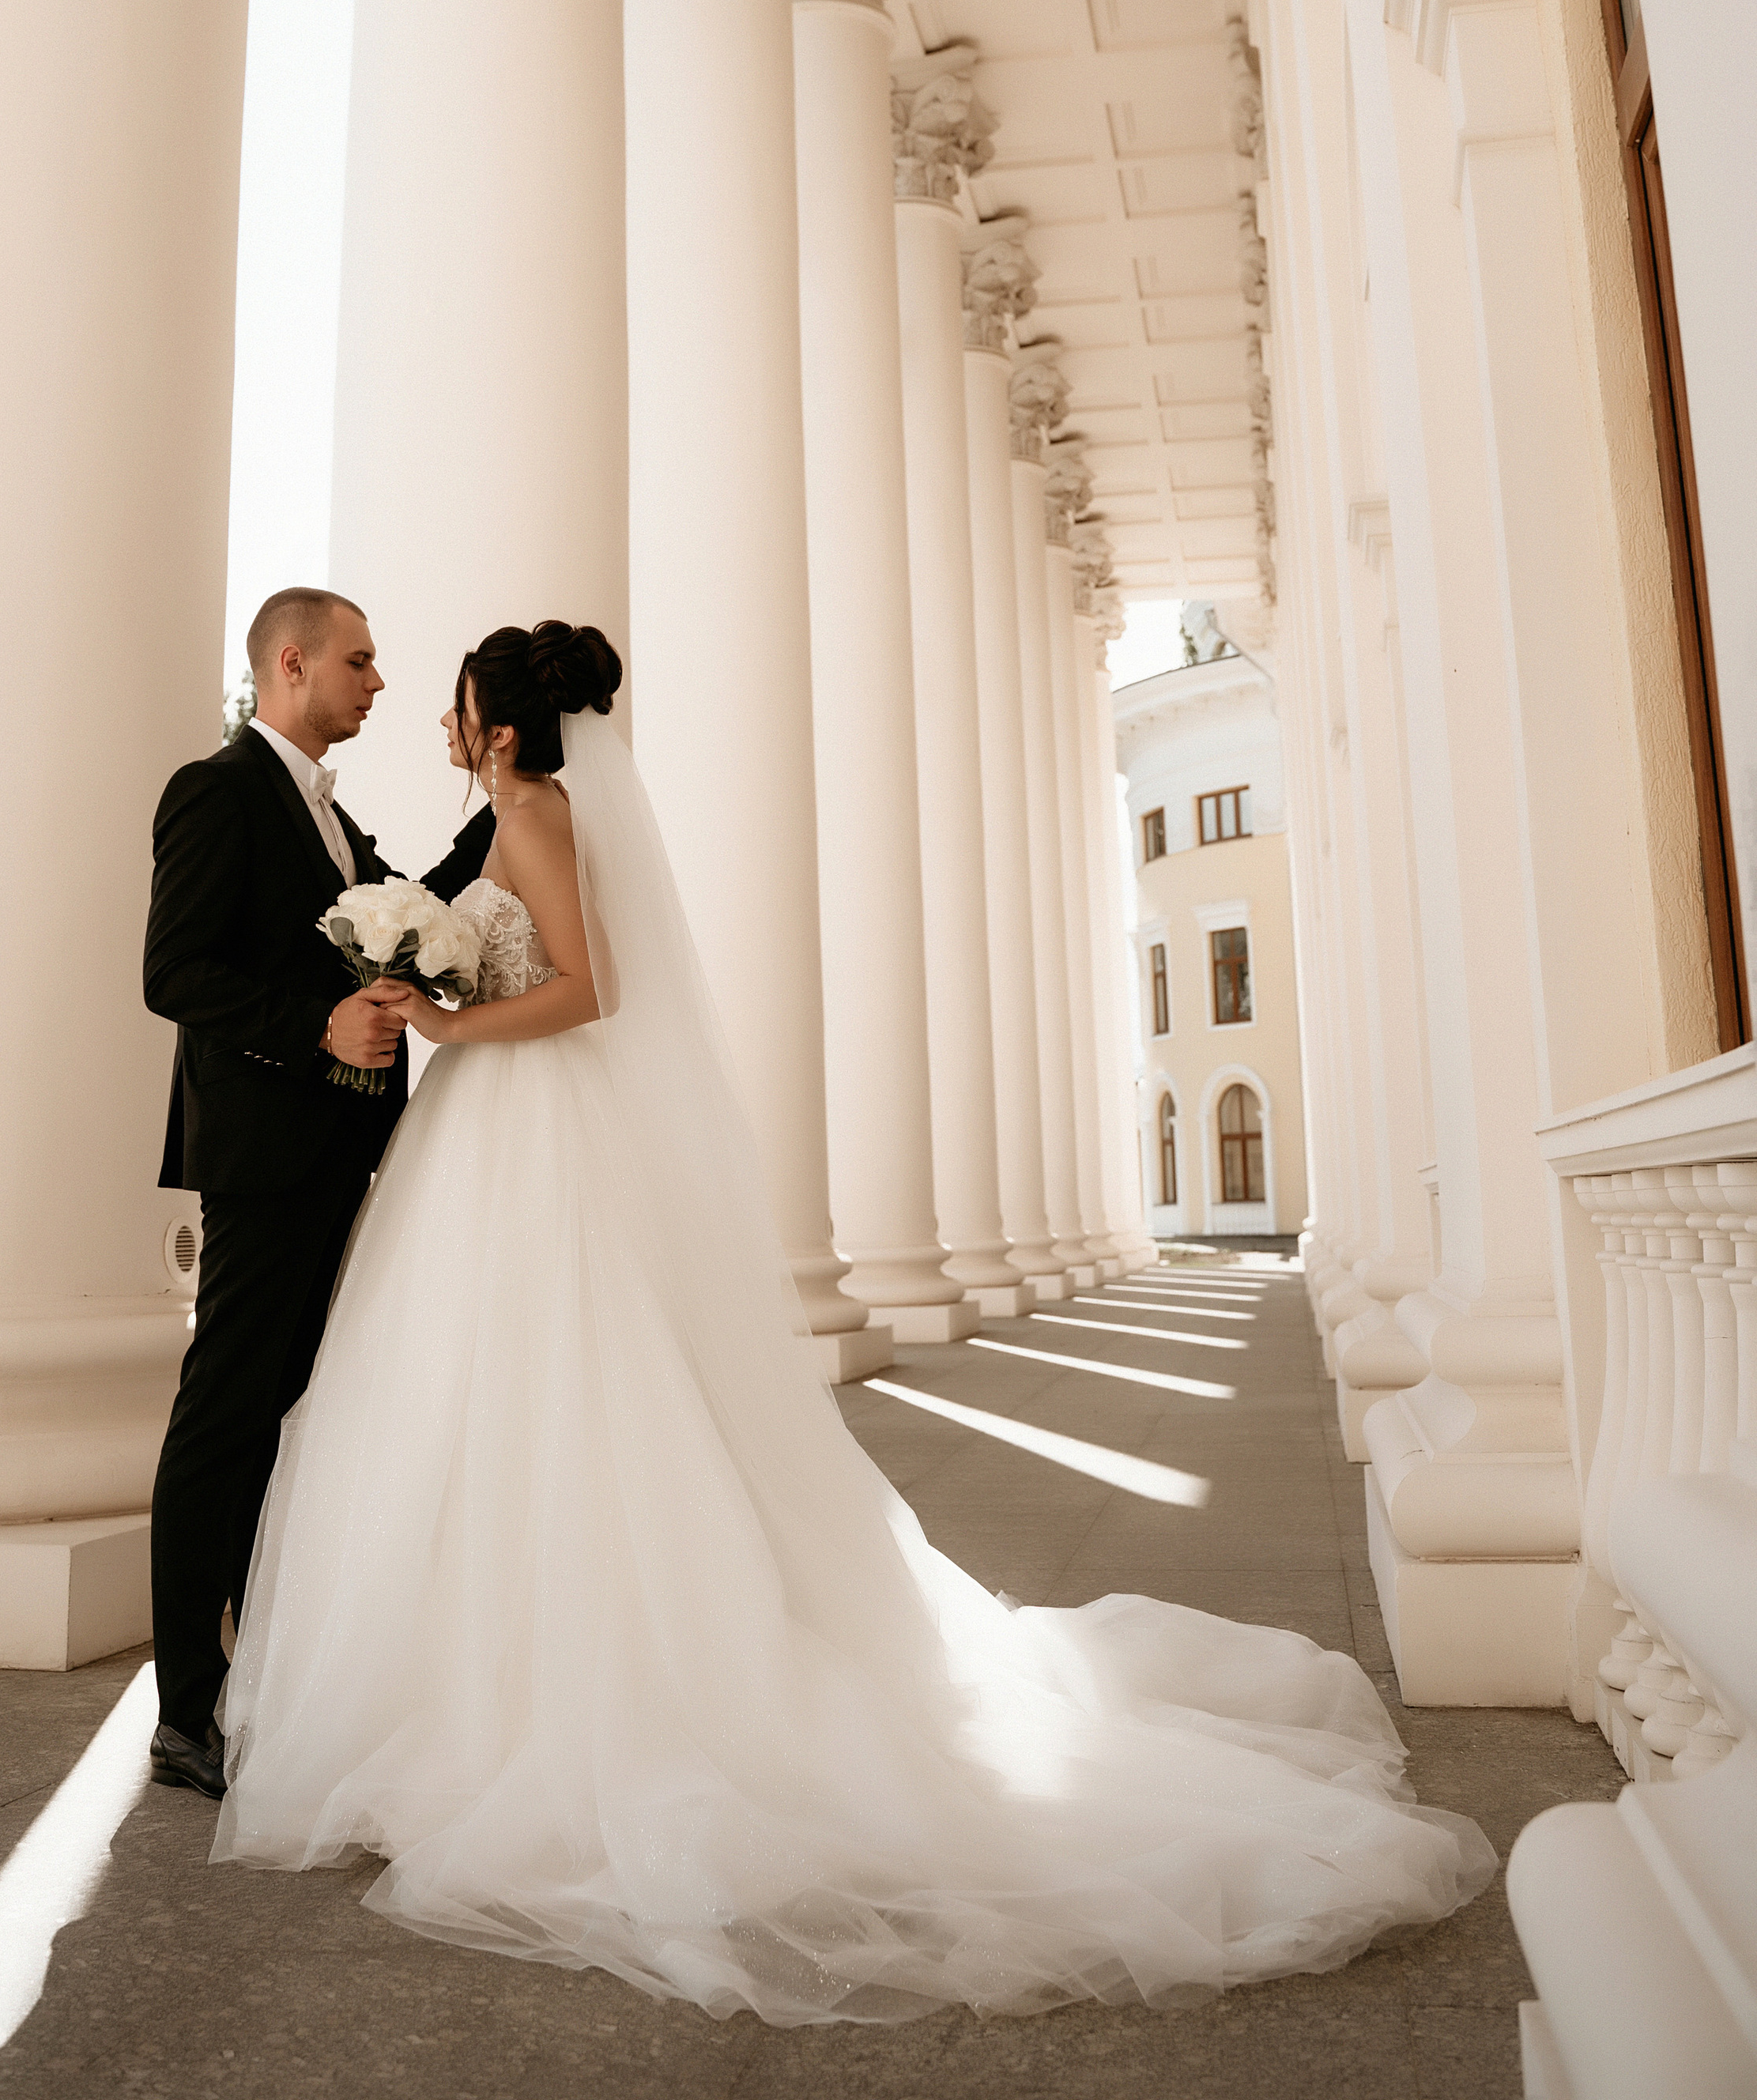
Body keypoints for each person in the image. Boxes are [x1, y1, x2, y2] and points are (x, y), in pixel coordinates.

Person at [210, 620, 1495, 2025]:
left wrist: (454, 1023)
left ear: (504, 726)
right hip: (497, 1137)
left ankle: (530, 1700)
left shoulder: (536, 814)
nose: (441, 724)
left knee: (549, 1387)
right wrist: (442, 974)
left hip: (525, 1125)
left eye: (457, 705)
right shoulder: (512, 815)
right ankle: (455, 1690)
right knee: (483, 1399)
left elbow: (589, 992)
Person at [141, 586, 495, 1800]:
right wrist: (317, 1025)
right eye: (361, 660)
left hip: (341, 1153)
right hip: (262, 1155)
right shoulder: (216, 792)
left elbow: (421, 907)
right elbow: (174, 970)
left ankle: (257, 1682)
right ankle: (185, 1708)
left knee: (288, 1413)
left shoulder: (334, 822)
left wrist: (516, 802)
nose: (378, 682)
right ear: (290, 665)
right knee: (226, 1414)